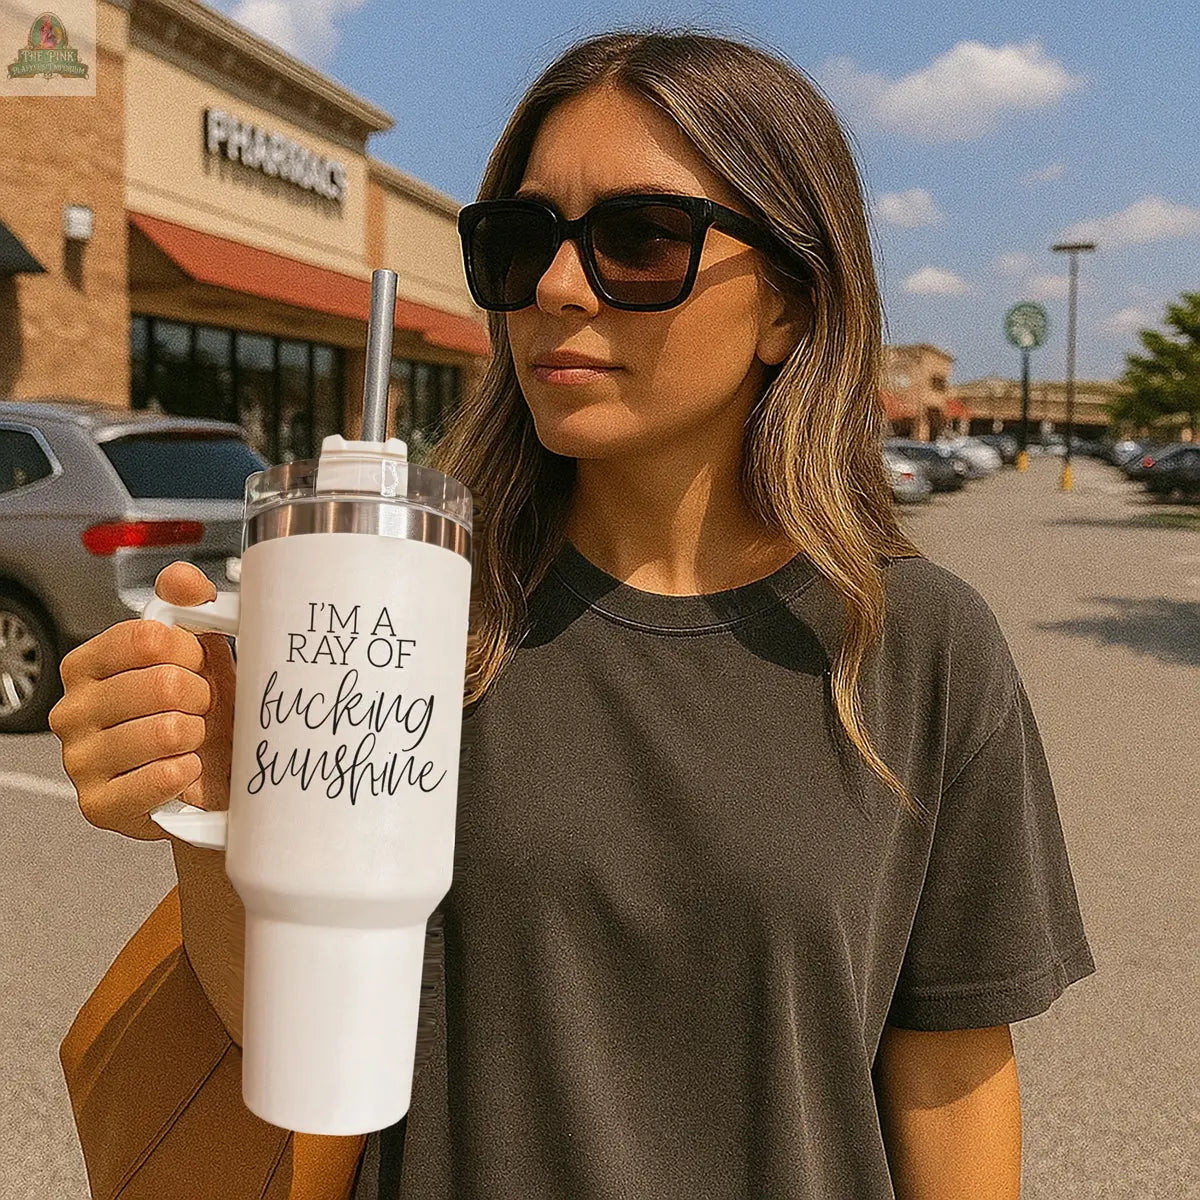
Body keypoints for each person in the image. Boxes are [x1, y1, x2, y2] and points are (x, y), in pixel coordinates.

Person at [51, 28, 1095, 1200]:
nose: (553, 288)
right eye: (520, 242)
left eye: (637, 240)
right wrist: (214, 815)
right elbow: (300, 1053)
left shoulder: (912, 646)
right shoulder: (421, 614)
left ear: (791, 310)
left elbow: (950, 1078)